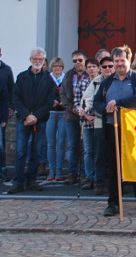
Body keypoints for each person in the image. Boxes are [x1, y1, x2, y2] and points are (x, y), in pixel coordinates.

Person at [93, 45, 136, 217]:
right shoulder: (107, 81)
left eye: (122, 60)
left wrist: (119, 103)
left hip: (134, 129)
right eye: (116, 61)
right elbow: (97, 103)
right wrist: (106, 108)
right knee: (113, 167)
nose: (119, 64)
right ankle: (113, 203)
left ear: (129, 60)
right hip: (113, 128)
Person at [8, 48, 54, 194]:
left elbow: (49, 101)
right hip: (24, 119)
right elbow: (16, 98)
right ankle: (18, 181)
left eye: (40, 60)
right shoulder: (22, 77)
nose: (38, 62)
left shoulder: (48, 79)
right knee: (21, 150)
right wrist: (27, 115)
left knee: (37, 151)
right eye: (35, 59)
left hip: (40, 120)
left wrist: (36, 116)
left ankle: (31, 180)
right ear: (30, 60)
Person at [61, 50, 91, 185]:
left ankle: (85, 173)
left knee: (86, 146)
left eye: (80, 60)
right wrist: (71, 107)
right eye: (75, 61)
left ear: (85, 60)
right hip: (72, 115)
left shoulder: (89, 74)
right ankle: (72, 173)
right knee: (72, 146)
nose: (77, 63)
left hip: (85, 116)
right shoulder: (68, 75)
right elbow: (63, 94)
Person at [77, 58, 104, 193]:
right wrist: (87, 115)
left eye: (94, 66)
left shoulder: (102, 80)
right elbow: (81, 101)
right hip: (87, 122)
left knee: (99, 150)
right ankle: (89, 176)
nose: (92, 69)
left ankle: (99, 177)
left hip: (100, 121)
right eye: (89, 67)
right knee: (88, 150)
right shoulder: (83, 83)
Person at [44, 57, 68, 182]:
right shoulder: (47, 79)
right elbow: (43, 95)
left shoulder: (66, 79)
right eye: (55, 66)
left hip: (63, 113)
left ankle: (59, 170)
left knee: (61, 142)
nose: (57, 69)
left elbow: (70, 94)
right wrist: (50, 102)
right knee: (51, 143)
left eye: (59, 66)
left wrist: (65, 102)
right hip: (51, 113)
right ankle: (51, 170)